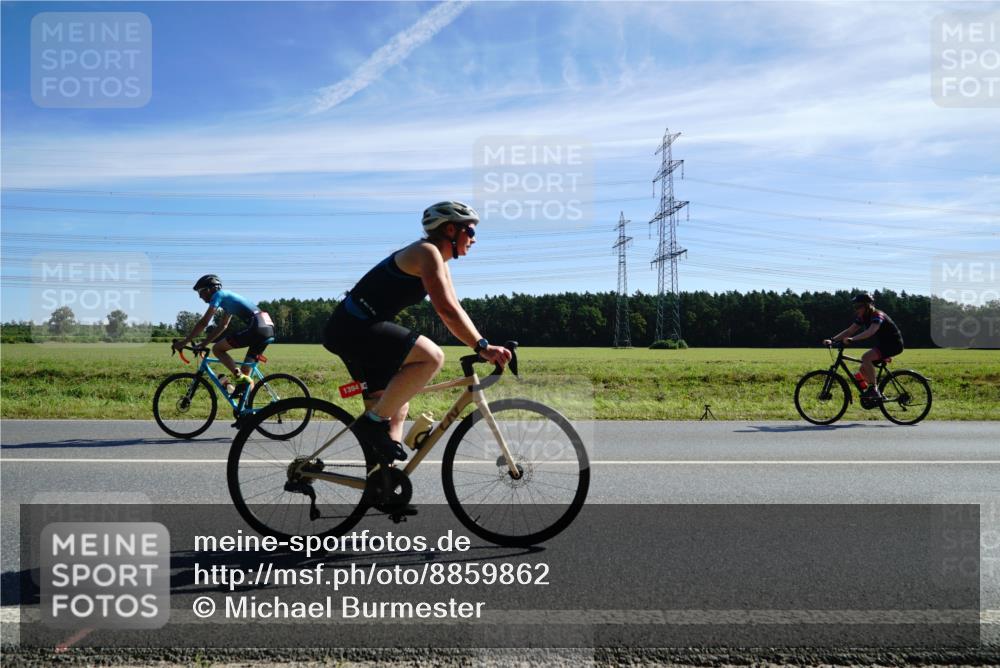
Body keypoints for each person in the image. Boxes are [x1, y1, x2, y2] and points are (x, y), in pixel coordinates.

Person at [323, 201, 512, 463]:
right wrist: (482, 347)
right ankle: (370, 424)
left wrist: (482, 343)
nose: (474, 239)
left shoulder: (439, 260)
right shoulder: (426, 252)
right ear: (449, 230)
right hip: (353, 327)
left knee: (397, 407)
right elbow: (445, 310)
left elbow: (455, 306)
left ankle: (384, 487)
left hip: (354, 329)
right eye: (470, 231)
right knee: (431, 357)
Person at [173, 275, 275, 392]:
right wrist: (204, 343)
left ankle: (238, 376)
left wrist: (184, 342)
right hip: (267, 329)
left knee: (217, 349)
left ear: (209, 289)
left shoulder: (218, 295)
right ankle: (248, 407)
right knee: (246, 373)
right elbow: (223, 326)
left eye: (200, 292)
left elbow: (204, 322)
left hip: (257, 327)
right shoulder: (227, 300)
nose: (200, 296)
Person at [823, 292, 904, 399]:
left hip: (894, 344)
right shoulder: (863, 317)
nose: (856, 310)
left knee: (866, 357)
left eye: (858, 307)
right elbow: (850, 330)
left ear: (867, 306)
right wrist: (832, 340)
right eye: (855, 307)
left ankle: (874, 390)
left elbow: (871, 331)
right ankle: (876, 393)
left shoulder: (877, 315)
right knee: (862, 369)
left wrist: (852, 339)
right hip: (884, 345)